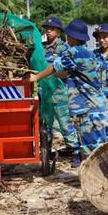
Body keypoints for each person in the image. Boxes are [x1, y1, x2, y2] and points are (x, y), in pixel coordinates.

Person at [30, 19, 108, 167]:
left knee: (94, 149)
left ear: (71, 36)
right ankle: (96, 178)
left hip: (90, 108)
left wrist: (37, 77)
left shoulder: (73, 52)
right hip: (95, 106)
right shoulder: (87, 53)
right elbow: (66, 74)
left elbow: (55, 67)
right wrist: (48, 75)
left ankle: (100, 179)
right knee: (96, 146)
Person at [41, 17, 80, 157]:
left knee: (64, 122)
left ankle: (75, 150)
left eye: (52, 28)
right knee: (46, 122)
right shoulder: (42, 47)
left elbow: (70, 71)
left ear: (59, 31)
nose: (49, 31)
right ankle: (48, 150)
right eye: (47, 28)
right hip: (44, 91)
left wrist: (53, 74)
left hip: (60, 90)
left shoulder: (65, 48)